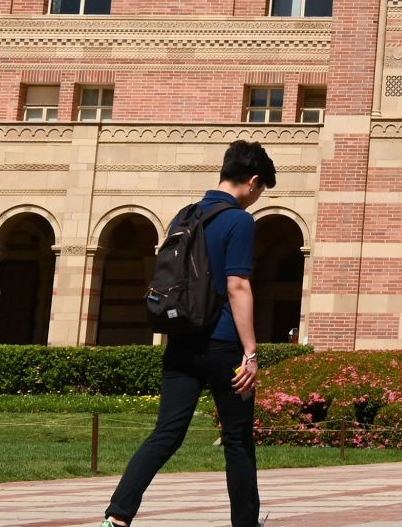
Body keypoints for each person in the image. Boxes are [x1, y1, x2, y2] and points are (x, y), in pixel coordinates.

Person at [103, 140, 276, 527]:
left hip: (181, 339)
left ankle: (117, 516)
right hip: (224, 345)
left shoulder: (187, 214)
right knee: (237, 440)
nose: (256, 198)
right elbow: (238, 287)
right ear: (252, 181)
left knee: (165, 433)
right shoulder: (239, 221)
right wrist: (251, 352)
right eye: (260, 189)